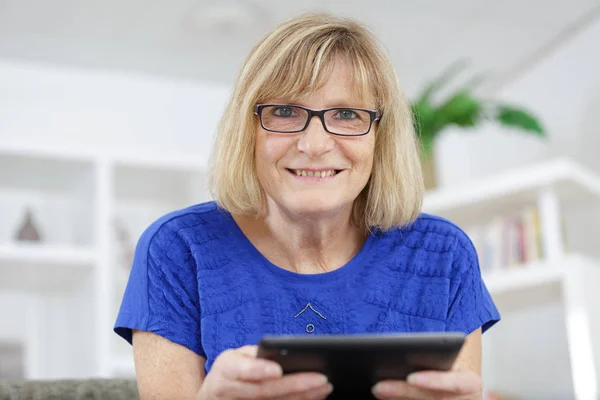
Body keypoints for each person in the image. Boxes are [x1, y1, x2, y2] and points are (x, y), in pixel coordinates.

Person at [114, 11, 500, 400]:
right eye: (284, 111)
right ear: (247, 130)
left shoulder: (442, 255)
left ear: (381, 137)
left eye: (347, 114)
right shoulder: (177, 249)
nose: (314, 145)